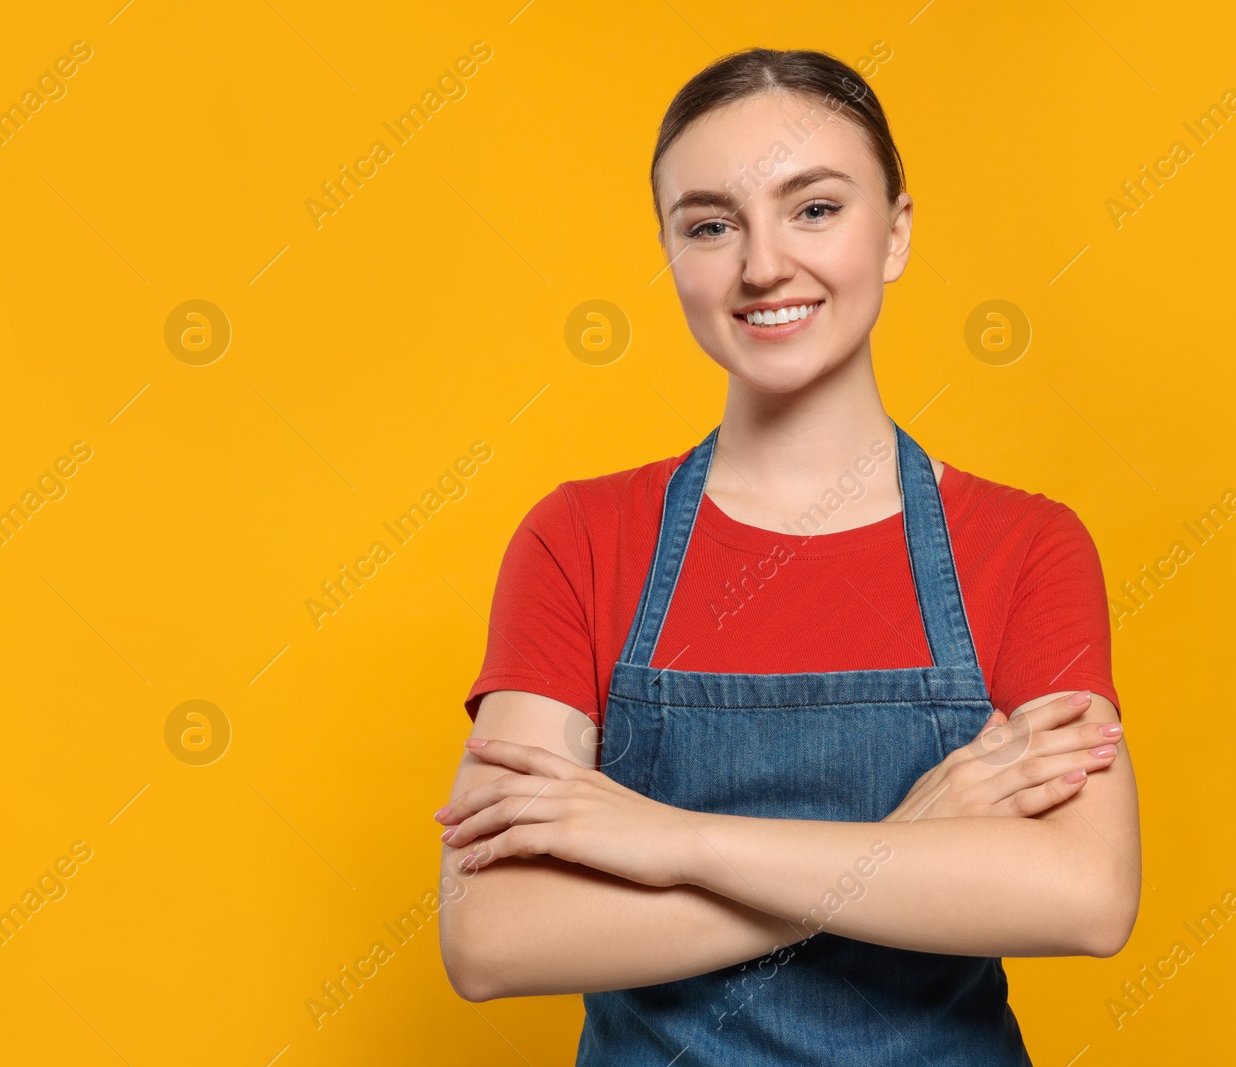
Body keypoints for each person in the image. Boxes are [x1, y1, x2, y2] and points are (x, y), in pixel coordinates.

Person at [435, 47, 1141, 1065]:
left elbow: (1085, 896)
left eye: (814, 208)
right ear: (670, 253)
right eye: (712, 224)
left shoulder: (1026, 547)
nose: (762, 263)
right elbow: (493, 935)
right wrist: (906, 836)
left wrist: (677, 840)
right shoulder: (581, 541)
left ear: (895, 233)